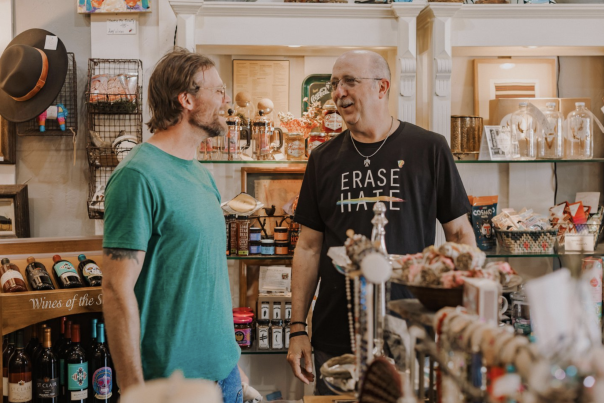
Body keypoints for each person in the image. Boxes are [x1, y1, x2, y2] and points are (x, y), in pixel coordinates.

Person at [286, 50, 476, 395]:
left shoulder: (429, 148)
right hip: (336, 333)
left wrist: (462, 314)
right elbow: (309, 247)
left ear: (381, 87)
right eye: (334, 83)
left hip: (411, 327)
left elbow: (460, 233)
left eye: (349, 81)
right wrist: (298, 327)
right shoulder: (322, 158)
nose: (338, 91)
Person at [102, 48, 242, 403]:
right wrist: (134, 390)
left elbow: (207, 279)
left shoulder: (200, 174)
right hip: (171, 388)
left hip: (225, 377)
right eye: (218, 90)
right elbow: (116, 291)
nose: (226, 100)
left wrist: (234, 370)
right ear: (186, 100)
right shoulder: (137, 175)